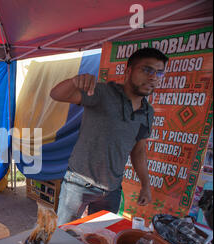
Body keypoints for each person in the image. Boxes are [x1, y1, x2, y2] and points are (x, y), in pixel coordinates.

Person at [50, 48, 168, 225]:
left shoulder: (147, 111)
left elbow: (139, 151)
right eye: (147, 69)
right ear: (128, 71)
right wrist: (75, 82)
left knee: (101, 238)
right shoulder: (102, 93)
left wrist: (145, 185)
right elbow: (56, 94)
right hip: (79, 184)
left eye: (159, 72)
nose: (153, 77)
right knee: (63, 235)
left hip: (112, 190)